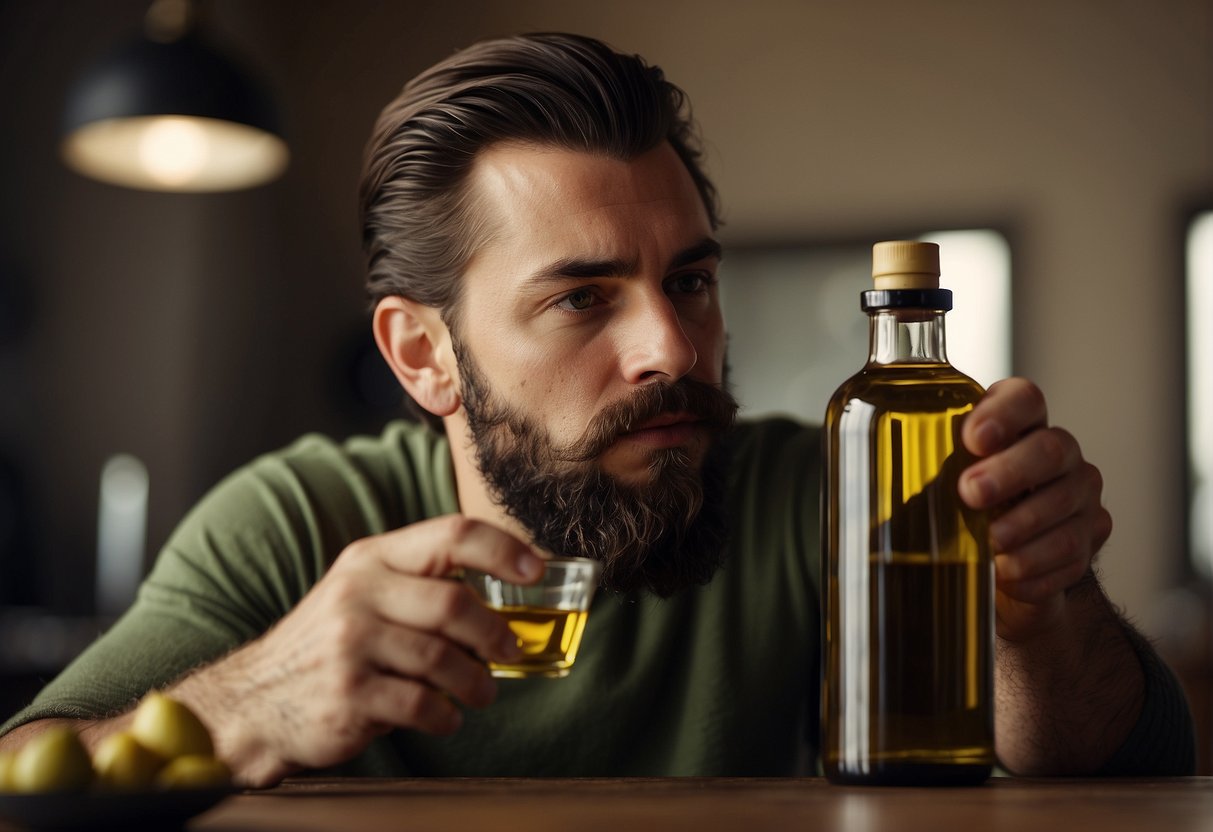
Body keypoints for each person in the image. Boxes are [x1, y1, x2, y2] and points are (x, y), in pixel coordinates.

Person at [0, 32, 1195, 784]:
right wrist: (254, 697)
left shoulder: (835, 487)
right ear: (424, 355)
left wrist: (1040, 613)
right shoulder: (297, 522)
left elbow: (1127, 773)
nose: (673, 347)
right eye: (582, 299)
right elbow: (22, 772)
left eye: (690, 281)